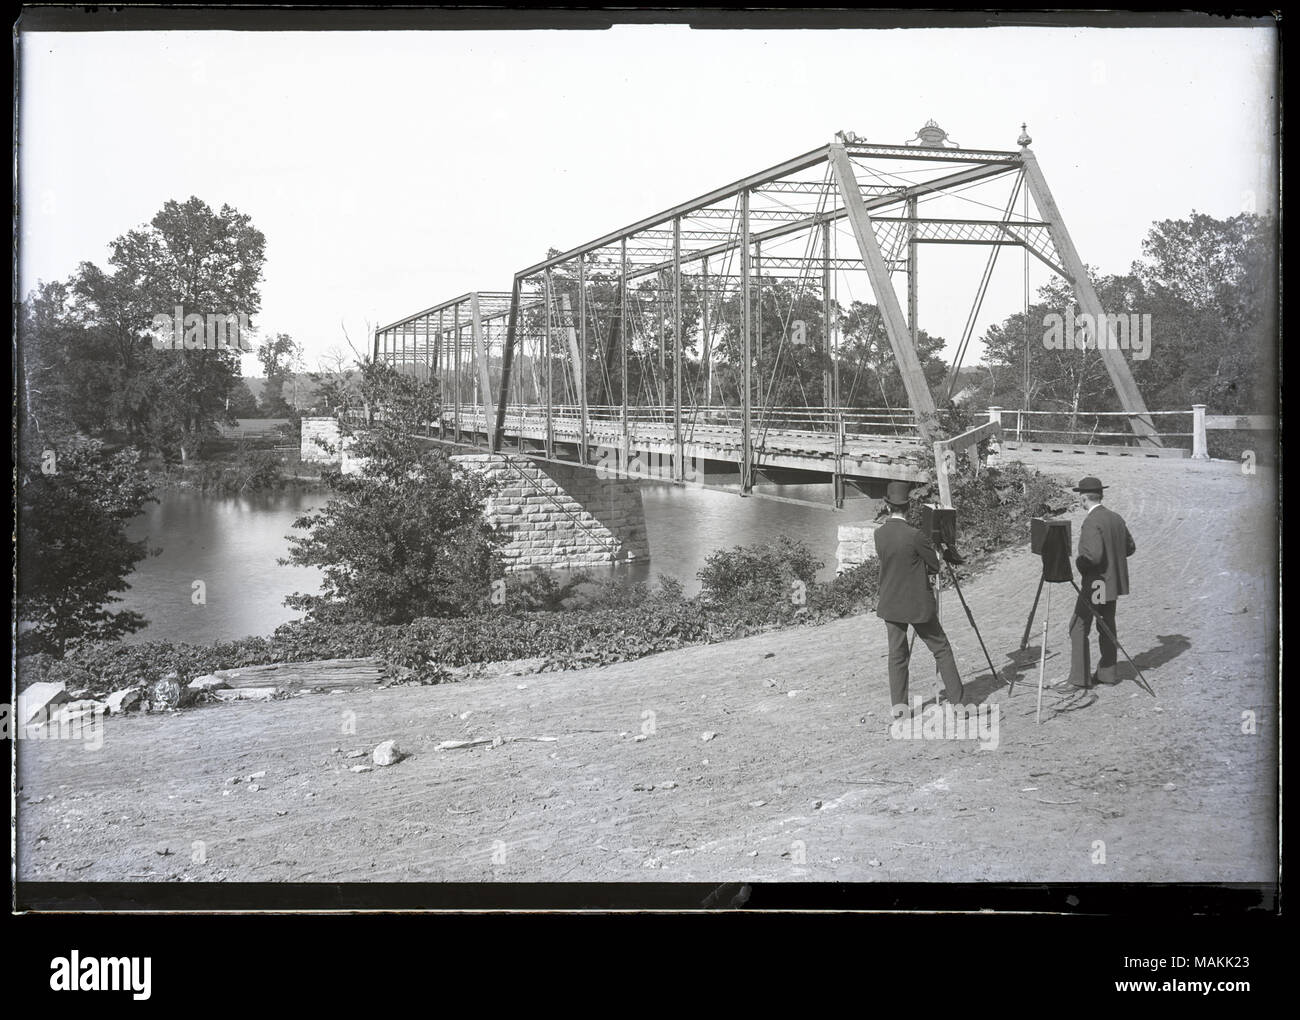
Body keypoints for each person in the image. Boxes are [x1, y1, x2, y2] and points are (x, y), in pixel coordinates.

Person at [874, 481, 965, 718]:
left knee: (897, 656)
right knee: (941, 649)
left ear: (887, 506)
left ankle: (900, 712)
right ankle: (959, 705)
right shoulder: (915, 535)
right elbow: (934, 566)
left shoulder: (879, 534)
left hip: (891, 603)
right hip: (917, 605)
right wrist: (934, 550)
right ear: (908, 508)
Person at [1054, 476, 1136, 690]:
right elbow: (1130, 548)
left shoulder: (1092, 521)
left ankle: (1078, 679)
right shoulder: (1115, 517)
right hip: (1112, 583)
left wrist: (1079, 563)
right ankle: (1108, 674)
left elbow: (1093, 557)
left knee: (1078, 626)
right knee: (1107, 625)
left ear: (1083, 499)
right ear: (1101, 495)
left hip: (1097, 584)